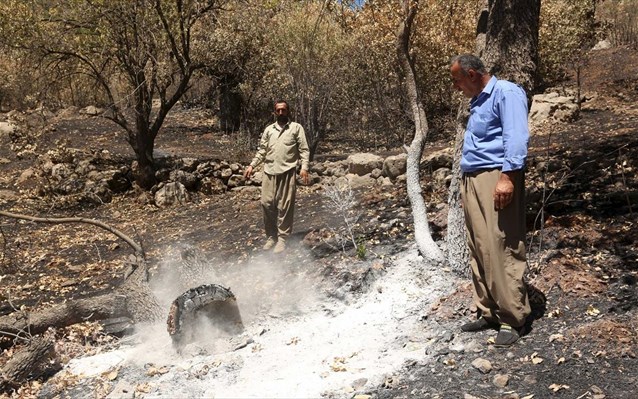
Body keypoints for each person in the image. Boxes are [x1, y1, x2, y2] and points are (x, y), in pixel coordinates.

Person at [449, 54, 531, 346]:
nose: (456, 87)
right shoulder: (479, 100)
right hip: (473, 179)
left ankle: (512, 317)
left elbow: (517, 137)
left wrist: (507, 178)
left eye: (457, 80)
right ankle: (488, 311)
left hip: (496, 177)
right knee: (479, 244)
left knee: (501, 243)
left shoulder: (506, 92)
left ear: (472, 74)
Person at [244, 100, 310, 254]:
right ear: (275, 112)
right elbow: (262, 150)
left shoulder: (296, 128)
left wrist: (304, 167)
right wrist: (252, 165)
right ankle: (271, 236)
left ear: (288, 111)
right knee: (266, 204)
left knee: (285, 206)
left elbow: (304, 149)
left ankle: (282, 239)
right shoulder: (269, 130)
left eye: (284, 110)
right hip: (269, 171)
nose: (281, 113)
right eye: (278, 110)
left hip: (287, 171)